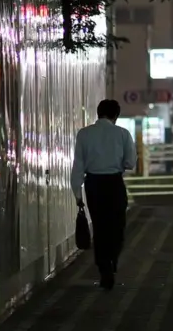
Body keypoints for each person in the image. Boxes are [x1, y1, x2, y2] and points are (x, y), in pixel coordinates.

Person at [70, 99, 137, 290]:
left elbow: (78, 167)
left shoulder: (84, 134)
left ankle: (104, 268)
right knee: (117, 225)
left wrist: (78, 196)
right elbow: (131, 162)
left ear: (98, 113)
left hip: (94, 185)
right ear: (116, 115)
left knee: (100, 227)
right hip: (115, 183)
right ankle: (113, 258)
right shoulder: (123, 134)